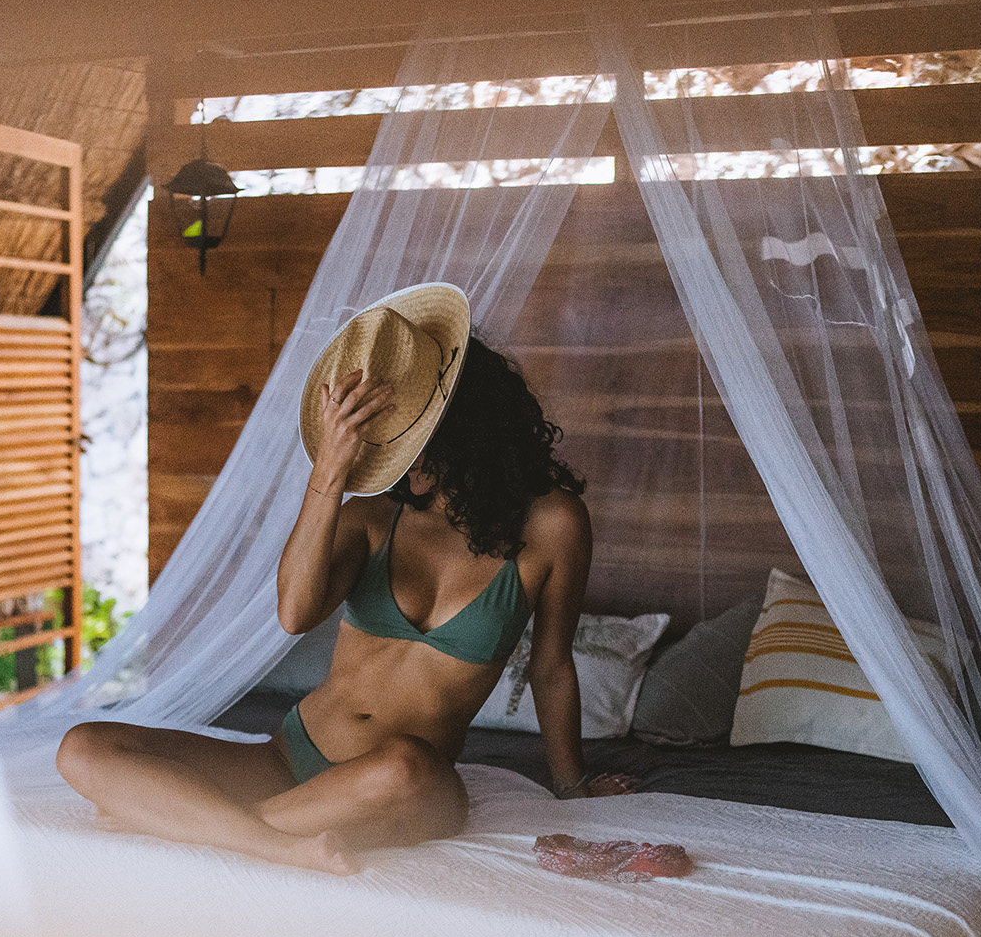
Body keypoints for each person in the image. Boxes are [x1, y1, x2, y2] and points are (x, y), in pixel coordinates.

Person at [56, 284, 633, 876]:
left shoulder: (554, 523)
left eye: (414, 441)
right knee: (83, 747)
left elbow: (551, 665)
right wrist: (328, 477)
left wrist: (571, 784)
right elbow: (294, 614)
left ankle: (186, 820)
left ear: (468, 430)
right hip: (291, 756)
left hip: (410, 783)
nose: (403, 461)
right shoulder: (373, 517)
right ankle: (271, 839)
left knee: (402, 764)